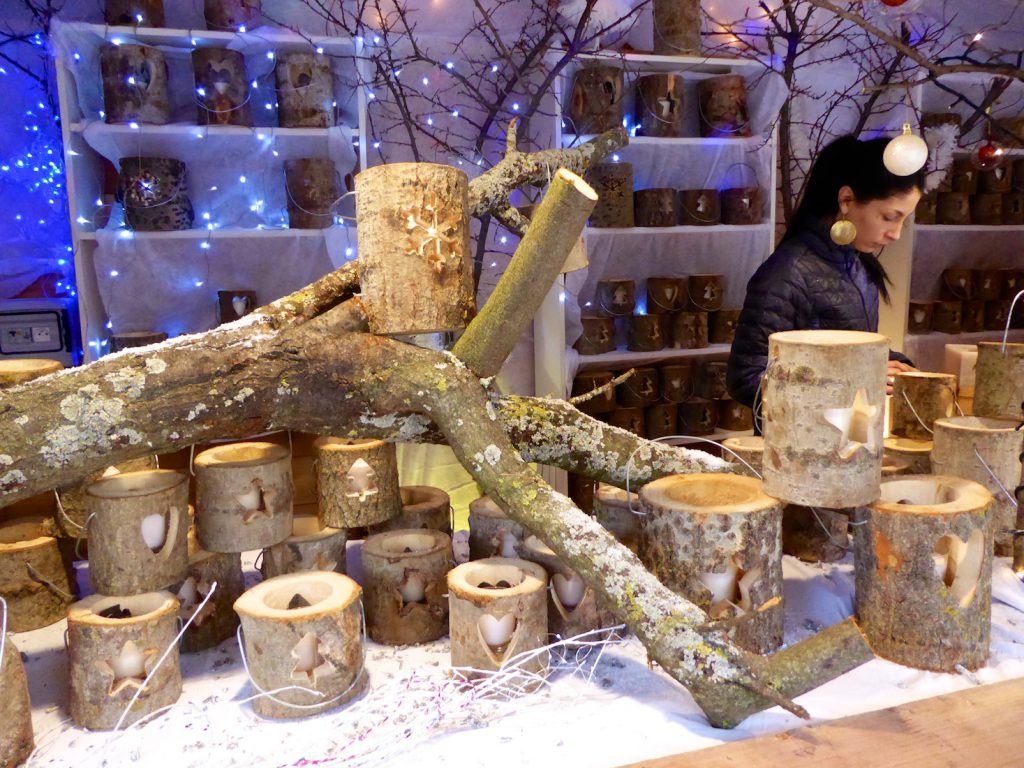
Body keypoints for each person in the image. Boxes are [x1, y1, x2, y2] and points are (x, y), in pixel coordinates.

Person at [726, 134, 922, 415]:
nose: (896, 233)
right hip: (798, 449)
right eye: (889, 217)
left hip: (846, 440)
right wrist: (857, 379)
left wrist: (896, 367)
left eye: (904, 219)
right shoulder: (787, 273)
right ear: (846, 200)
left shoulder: (856, 264)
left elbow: (850, 353)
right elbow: (746, 380)